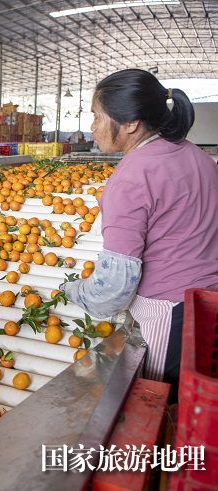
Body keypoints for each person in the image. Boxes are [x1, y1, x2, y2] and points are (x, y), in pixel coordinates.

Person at [61, 69, 218, 393]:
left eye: (96, 116)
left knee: (160, 406)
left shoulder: (131, 177)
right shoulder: (197, 156)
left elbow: (113, 290)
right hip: (209, 304)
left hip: (170, 315)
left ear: (131, 123)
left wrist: (72, 291)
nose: (91, 127)